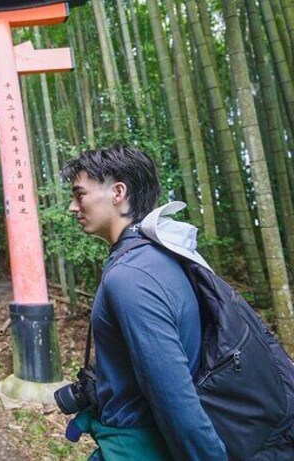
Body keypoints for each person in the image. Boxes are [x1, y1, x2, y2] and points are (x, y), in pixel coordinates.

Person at [60, 145, 226, 460]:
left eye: (79, 194)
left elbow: (175, 398)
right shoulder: (159, 258)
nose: (72, 206)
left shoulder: (131, 277)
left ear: (117, 192)